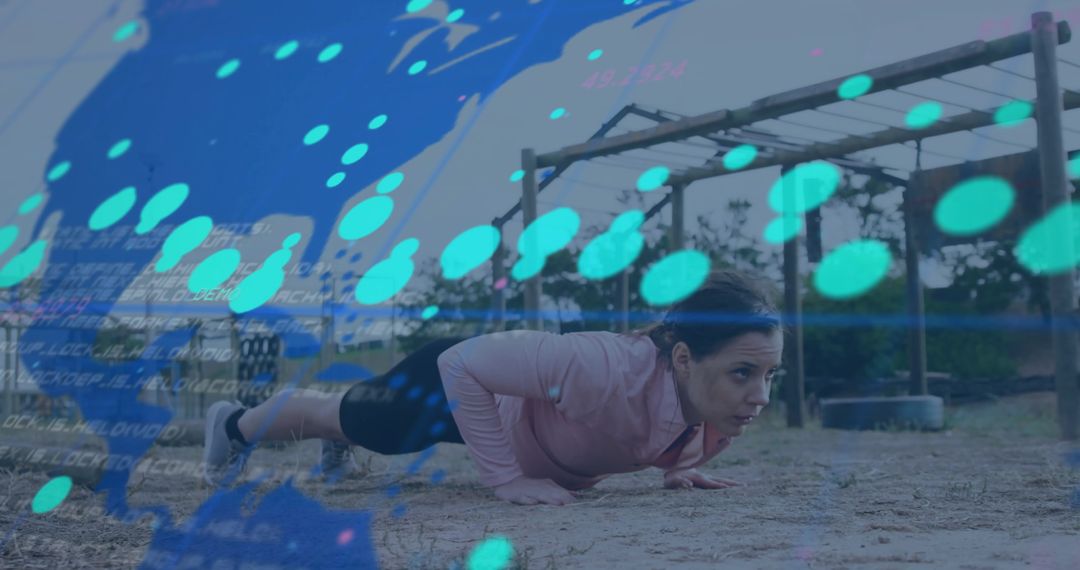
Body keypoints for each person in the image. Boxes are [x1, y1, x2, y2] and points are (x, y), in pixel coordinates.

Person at [202, 268, 785, 506]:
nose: (759, 395)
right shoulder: (602, 365)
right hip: (456, 387)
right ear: (683, 358)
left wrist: (678, 465)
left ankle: (341, 437)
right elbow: (461, 366)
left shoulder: (721, 410)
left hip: (516, 418)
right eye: (743, 373)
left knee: (352, 422)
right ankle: (231, 422)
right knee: (350, 418)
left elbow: (659, 427)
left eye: (768, 376)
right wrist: (505, 479)